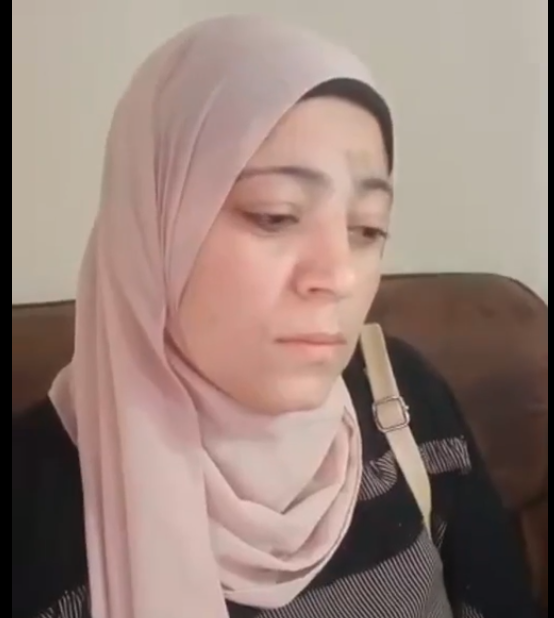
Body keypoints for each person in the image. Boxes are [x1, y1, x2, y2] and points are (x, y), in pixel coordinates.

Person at [12, 14, 541, 618]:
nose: (338, 276)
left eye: (367, 228)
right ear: (154, 227)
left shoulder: (405, 399)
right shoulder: (32, 514)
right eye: (275, 215)